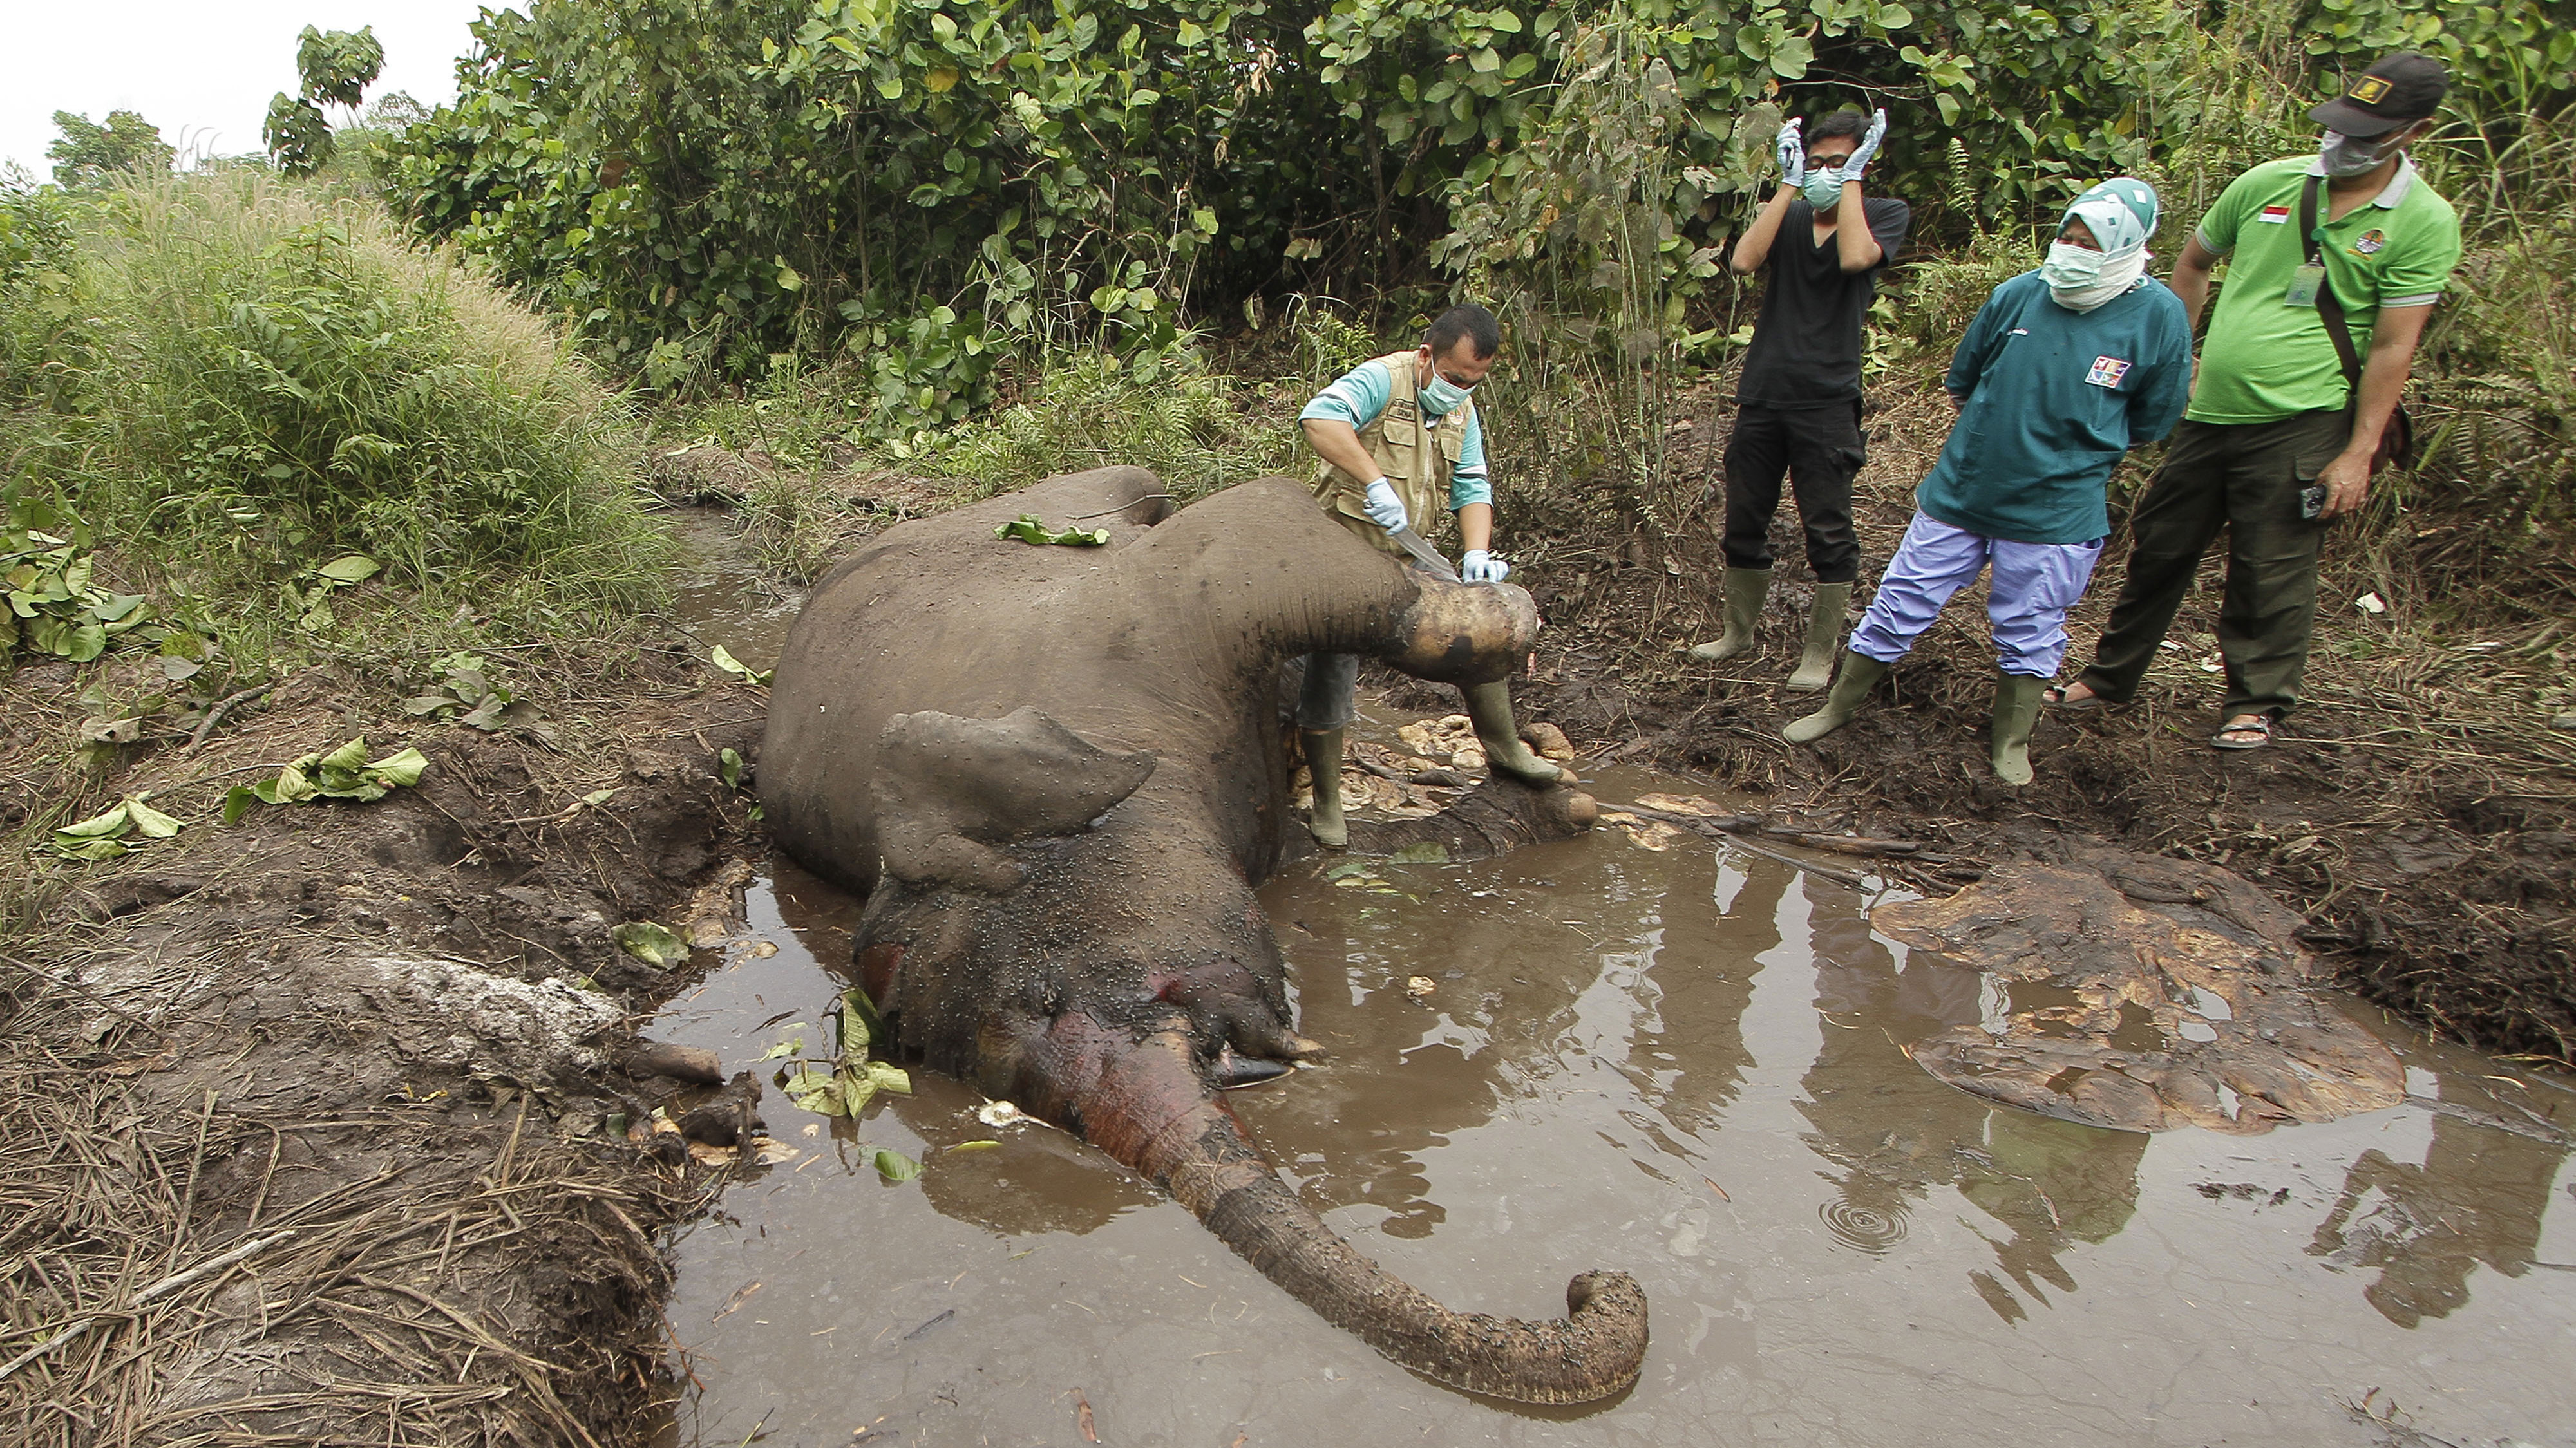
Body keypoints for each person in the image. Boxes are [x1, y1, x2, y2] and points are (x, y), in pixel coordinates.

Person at [2045, 53, 2461, 749]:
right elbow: (2192, 264)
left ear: (2414, 132)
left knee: (2270, 563)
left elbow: (2393, 346)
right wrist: (2172, 368)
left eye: (2367, 133)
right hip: (2212, 408)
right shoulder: (2268, 184)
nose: (2343, 143)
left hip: (2307, 415)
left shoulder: (2421, 220)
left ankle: (2254, 700)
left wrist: (2359, 451)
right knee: (2159, 544)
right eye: (2339, 125)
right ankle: (2108, 677)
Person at [1782, 179, 2193, 784]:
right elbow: (1964, 379)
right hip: (1966, 489)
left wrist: (2072, 443)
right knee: (1901, 601)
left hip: (2059, 507)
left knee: (2031, 624)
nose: (2072, 249)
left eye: (2090, 242)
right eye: (2066, 235)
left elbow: (2154, 418)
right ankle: (1839, 705)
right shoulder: (2021, 295)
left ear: (2128, 247)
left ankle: (2011, 741)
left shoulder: (2158, 316)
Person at [1294, 303, 1562, 847]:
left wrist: (1476, 554)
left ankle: (1505, 748)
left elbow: (1473, 485)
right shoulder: (1382, 379)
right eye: (1456, 378)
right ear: (1426, 357)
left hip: (1407, 554)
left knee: (1480, 628)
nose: (1462, 390)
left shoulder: (1462, 410)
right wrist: (1372, 482)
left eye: (1475, 382)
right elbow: (1319, 418)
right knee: (1331, 668)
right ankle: (1327, 800)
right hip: (1342, 552)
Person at [1689, 106, 1911, 691]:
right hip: (1765, 392)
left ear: (1863, 162)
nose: (1827, 172)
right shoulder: (1791, 217)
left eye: (1840, 162)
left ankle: (1819, 653)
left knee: (1828, 529)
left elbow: (1856, 259)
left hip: (1827, 399)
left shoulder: (1883, 215)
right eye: (1819, 162)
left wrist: (1853, 184)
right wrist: (1789, 184)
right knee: (1744, 518)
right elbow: (1741, 260)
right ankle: (1739, 631)